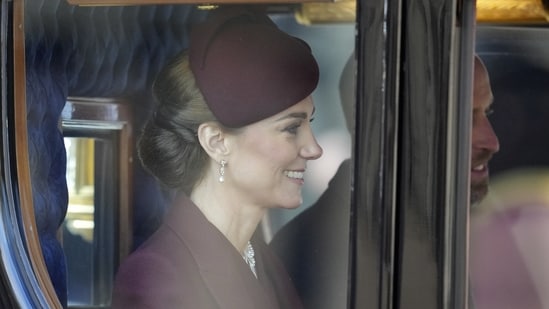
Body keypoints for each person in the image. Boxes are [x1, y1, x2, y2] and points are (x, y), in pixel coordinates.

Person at [111, 6, 323, 309]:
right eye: (291, 128)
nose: (314, 148)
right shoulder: (156, 278)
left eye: (309, 124)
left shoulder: (264, 260)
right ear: (217, 141)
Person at [269, 54, 500, 308]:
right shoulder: (328, 252)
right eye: (464, 118)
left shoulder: (418, 233)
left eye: (486, 112)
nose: (492, 142)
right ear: (391, 133)